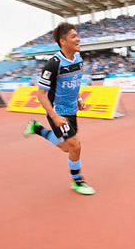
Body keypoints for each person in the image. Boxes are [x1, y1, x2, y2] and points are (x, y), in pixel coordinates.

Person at [22, 22, 95, 195]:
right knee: (75, 146)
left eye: (77, 35)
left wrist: (78, 98)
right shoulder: (53, 65)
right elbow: (41, 94)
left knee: (66, 148)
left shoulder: (78, 59)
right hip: (57, 111)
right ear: (62, 41)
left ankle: (36, 128)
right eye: (73, 36)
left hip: (71, 110)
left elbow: (75, 82)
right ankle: (77, 181)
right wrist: (54, 115)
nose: (78, 39)